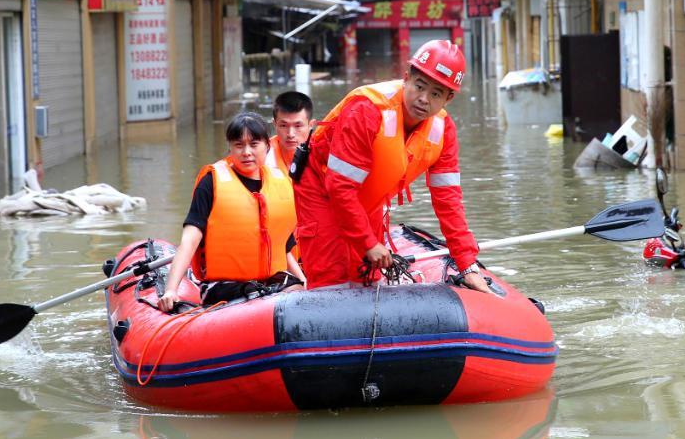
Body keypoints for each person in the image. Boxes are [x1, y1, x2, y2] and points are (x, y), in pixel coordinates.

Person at [293, 39, 492, 292]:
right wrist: (368, 242)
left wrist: (467, 266)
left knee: (368, 280)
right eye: (419, 86)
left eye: (435, 94)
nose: (423, 99)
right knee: (331, 280)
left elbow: (449, 201)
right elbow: (339, 186)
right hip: (320, 188)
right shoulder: (367, 110)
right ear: (406, 78)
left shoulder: (444, 131)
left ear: (448, 98)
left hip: (368, 197)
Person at [158, 112, 304, 312]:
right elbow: (190, 240)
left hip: (270, 281)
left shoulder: (281, 183)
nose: (246, 152)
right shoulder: (211, 183)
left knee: (297, 291)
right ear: (230, 147)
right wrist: (171, 290)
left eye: (253, 145)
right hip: (224, 286)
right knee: (261, 297)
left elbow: (284, 246)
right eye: (238, 145)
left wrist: (304, 282)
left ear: (267, 147)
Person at [265, 90, 314, 173]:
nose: (291, 134)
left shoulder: (323, 155)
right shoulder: (261, 156)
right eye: (283, 125)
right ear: (274, 124)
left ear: (311, 125)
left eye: (298, 126)